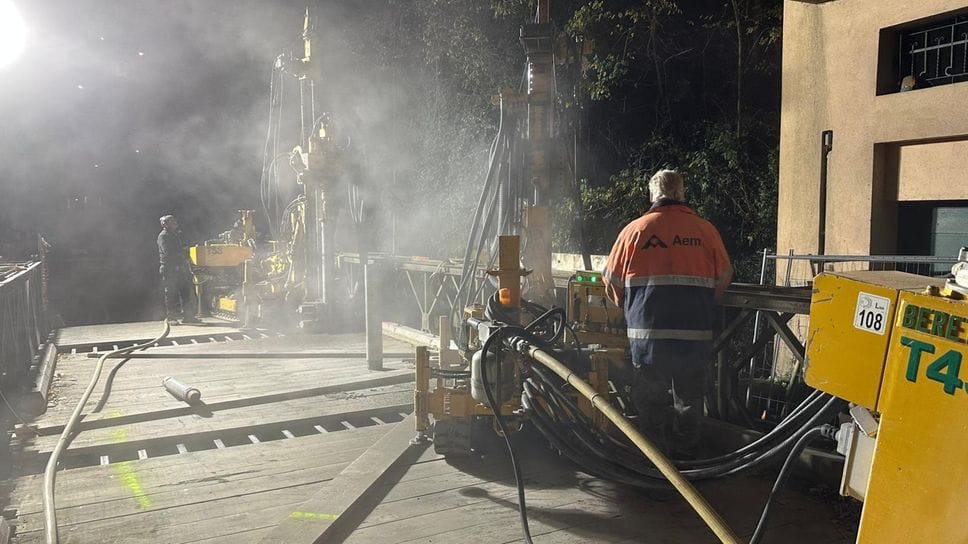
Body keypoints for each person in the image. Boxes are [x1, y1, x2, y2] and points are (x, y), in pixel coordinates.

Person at [602, 169, 731, 458]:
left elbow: (611, 279)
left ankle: (656, 462)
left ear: (652, 194)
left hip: (648, 336)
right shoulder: (705, 230)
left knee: (651, 401)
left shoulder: (634, 231)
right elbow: (724, 276)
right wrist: (705, 304)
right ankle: (685, 460)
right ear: (681, 193)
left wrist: (629, 308)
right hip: (693, 334)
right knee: (689, 398)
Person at [158, 215, 200, 325]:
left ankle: (188, 316)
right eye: (171, 222)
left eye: (174, 221)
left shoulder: (176, 235)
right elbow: (168, 253)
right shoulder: (163, 236)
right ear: (165, 224)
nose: (174, 223)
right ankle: (171, 317)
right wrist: (182, 250)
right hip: (169, 269)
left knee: (185, 292)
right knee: (171, 293)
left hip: (180, 268)